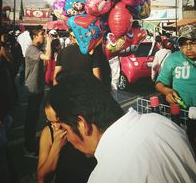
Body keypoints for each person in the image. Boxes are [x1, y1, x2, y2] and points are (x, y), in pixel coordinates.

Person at [50, 72, 196, 183]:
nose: (66, 138)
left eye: (64, 128)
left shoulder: (106, 177)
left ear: (81, 123)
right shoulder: (161, 123)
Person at [37, 91, 96, 183]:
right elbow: (42, 179)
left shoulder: (86, 130)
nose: (56, 128)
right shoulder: (49, 132)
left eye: (58, 121)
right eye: (51, 122)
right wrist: (56, 148)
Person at [155, 24, 196, 155]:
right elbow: (159, 83)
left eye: (193, 43)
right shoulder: (173, 59)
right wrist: (167, 91)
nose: (188, 48)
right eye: (183, 44)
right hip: (181, 114)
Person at [24, 26, 52, 158]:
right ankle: (28, 148)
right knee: (31, 118)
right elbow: (47, 57)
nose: (43, 36)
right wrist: (50, 43)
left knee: (34, 117)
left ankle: (30, 143)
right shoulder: (32, 49)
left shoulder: (36, 49)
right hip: (33, 88)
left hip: (38, 87)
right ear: (35, 36)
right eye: (41, 34)